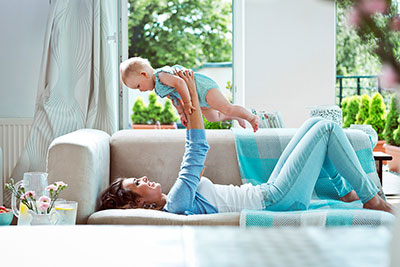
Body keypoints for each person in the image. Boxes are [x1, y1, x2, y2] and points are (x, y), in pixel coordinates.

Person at [100, 69, 393, 215]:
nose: (144, 178)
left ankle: (343, 193)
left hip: (269, 191)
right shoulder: (176, 201)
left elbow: (197, 169)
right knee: (327, 129)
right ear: (137, 205)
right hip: (275, 200)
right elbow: (197, 148)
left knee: (316, 124)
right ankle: (372, 199)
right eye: (137, 184)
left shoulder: (181, 198)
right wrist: (188, 89)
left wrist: (193, 108)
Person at [119, 57, 259, 132]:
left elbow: (180, 84)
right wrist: (181, 113)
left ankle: (251, 117)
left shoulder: (161, 75)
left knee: (226, 107)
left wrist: (187, 104)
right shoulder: (159, 88)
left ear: (143, 74)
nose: (141, 90)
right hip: (196, 98)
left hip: (203, 88)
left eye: (138, 86)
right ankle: (238, 116)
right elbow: (173, 99)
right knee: (213, 118)